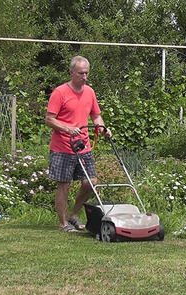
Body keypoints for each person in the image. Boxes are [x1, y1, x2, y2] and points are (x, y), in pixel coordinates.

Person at [45, 55, 111, 232]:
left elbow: (96, 116)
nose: (84, 77)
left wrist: (103, 128)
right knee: (64, 184)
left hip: (83, 146)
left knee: (91, 182)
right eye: (81, 73)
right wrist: (67, 128)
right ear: (71, 72)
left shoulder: (89, 92)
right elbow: (49, 119)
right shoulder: (60, 92)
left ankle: (73, 214)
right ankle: (62, 223)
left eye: (86, 73)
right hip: (63, 147)